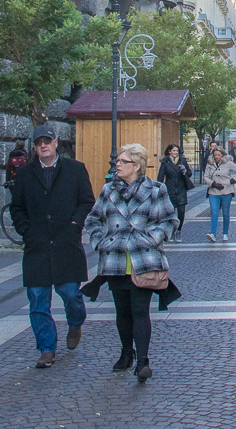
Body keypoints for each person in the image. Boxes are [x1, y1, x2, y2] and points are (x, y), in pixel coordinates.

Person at [83, 143, 180, 382]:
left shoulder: (157, 190)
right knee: (122, 312)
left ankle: (143, 361)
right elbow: (93, 220)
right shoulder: (108, 191)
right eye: (117, 161)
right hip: (114, 260)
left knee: (139, 311)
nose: (117, 164)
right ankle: (127, 352)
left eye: (122, 162)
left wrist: (152, 238)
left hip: (143, 259)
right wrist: (99, 242)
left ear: (136, 165)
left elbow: (170, 219)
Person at [9, 126, 95, 368]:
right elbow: (17, 207)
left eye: (47, 141)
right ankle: (46, 348)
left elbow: (87, 200)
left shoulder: (75, 169)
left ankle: (76, 322)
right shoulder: (25, 173)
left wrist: (75, 224)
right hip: (36, 245)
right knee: (37, 300)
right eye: (39, 143)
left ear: (56, 143)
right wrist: (25, 230)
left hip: (66, 243)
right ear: (34, 147)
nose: (43, 146)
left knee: (70, 293)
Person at [156, 144, 193, 242]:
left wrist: (185, 171)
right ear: (169, 151)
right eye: (174, 151)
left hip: (181, 189)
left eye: (177, 151)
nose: (176, 153)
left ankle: (179, 230)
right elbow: (160, 176)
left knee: (181, 212)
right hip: (170, 189)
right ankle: (171, 231)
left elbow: (189, 174)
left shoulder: (182, 161)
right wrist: (159, 189)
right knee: (170, 213)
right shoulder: (165, 162)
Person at [203, 148, 236, 242]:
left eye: (218, 155)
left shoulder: (228, 163)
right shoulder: (210, 163)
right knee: (214, 212)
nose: (216, 157)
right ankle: (213, 233)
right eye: (215, 155)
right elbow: (205, 176)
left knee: (225, 213)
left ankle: (225, 233)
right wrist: (212, 183)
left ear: (222, 155)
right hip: (214, 191)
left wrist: (234, 179)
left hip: (226, 190)